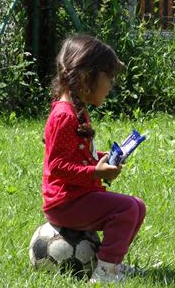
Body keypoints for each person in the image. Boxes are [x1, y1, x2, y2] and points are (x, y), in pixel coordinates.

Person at [41, 34, 146, 283]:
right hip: (65, 202)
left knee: (137, 207)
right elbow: (57, 166)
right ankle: (104, 274)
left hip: (77, 196)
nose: (110, 85)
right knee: (126, 209)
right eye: (108, 77)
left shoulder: (77, 111)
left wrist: (104, 158)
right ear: (88, 77)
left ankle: (112, 265)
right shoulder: (64, 115)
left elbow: (78, 154)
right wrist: (96, 173)